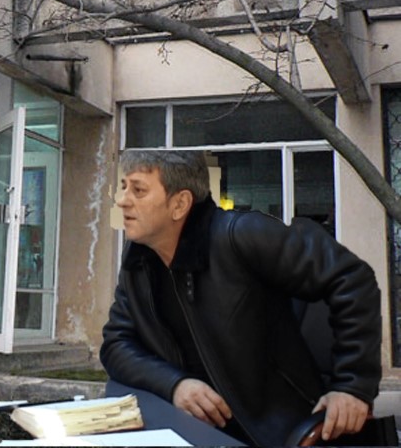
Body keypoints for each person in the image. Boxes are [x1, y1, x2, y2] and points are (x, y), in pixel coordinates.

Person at [100, 150, 381, 446]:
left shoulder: (241, 234)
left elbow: (351, 277)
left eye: (138, 190)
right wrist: (175, 384)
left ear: (179, 204)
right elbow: (117, 345)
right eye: (123, 187)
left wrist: (352, 386)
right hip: (193, 431)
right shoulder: (140, 262)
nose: (122, 200)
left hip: (278, 432)